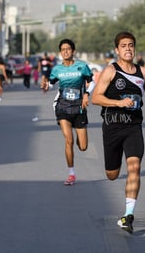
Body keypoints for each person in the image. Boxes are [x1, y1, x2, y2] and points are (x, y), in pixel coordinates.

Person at [92, 32, 145, 234]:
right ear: (117, 50)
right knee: (112, 174)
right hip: (112, 126)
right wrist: (118, 102)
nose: (128, 48)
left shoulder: (143, 72)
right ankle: (114, 173)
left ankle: (128, 215)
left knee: (134, 166)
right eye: (124, 45)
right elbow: (96, 98)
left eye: (131, 45)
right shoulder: (110, 71)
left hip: (133, 126)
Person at [41, 39, 95, 186]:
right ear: (60, 52)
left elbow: (92, 82)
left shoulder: (82, 66)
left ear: (73, 51)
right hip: (63, 107)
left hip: (79, 108)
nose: (65, 51)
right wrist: (46, 85)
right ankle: (71, 174)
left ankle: (80, 135)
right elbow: (51, 84)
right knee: (68, 140)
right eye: (63, 49)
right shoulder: (57, 69)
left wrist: (87, 94)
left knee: (83, 146)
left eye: (68, 49)